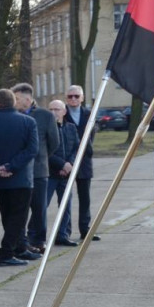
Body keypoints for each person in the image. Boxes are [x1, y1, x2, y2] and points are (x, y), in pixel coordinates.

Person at [0, 89, 38, 267]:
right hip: (21, 178)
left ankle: (18, 248)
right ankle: (6, 252)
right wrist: (12, 166)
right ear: (13, 102)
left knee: (7, 215)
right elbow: (31, 150)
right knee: (18, 217)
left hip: (0, 179)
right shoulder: (28, 122)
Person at [12, 83, 58, 255]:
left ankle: (38, 240)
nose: (14, 102)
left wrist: (42, 156)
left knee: (39, 208)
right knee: (21, 209)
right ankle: (22, 242)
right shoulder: (14, 116)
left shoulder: (45, 115)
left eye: (17, 99)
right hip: (20, 171)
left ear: (28, 99)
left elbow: (54, 142)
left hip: (39, 170)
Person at [64, 85, 98, 242]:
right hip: (66, 162)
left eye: (76, 96)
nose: (73, 99)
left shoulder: (89, 114)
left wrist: (88, 151)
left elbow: (92, 135)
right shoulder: (61, 113)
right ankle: (64, 233)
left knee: (85, 198)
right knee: (65, 199)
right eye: (70, 96)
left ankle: (85, 230)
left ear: (82, 97)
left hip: (84, 162)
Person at [47, 100, 81, 246]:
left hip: (67, 174)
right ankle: (35, 237)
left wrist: (70, 164)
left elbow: (76, 148)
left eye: (57, 109)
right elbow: (46, 151)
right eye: (51, 109)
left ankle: (62, 235)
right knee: (42, 206)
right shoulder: (46, 129)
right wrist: (62, 164)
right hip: (50, 173)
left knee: (66, 206)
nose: (54, 112)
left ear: (64, 111)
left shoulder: (71, 128)